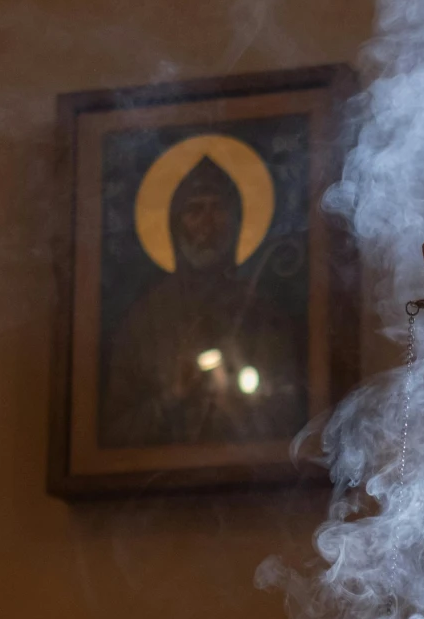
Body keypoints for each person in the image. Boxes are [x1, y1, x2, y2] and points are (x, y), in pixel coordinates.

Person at [100, 152, 305, 449]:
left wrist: (239, 407)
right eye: (194, 210)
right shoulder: (145, 319)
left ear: (236, 222)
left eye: (218, 209)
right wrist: (173, 398)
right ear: (175, 223)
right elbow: (115, 432)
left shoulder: (262, 314)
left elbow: (291, 423)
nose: (207, 224)